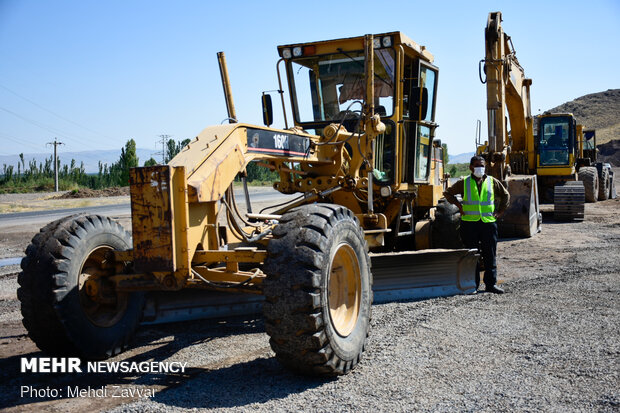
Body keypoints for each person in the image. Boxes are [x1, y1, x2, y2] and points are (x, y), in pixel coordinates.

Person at [443, 155, 510, 294]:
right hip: (469, 224)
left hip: (488, 223)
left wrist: (499, 212)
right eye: (477, 165)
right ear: (471, 167)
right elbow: (448, 193)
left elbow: (505, 195)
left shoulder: (492, 181)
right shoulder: (464, 182)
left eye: (482, 165)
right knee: (471, 255)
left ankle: (491, 284)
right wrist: (459, 207)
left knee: (490, 254)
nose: (480, 168)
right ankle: (472, 285)